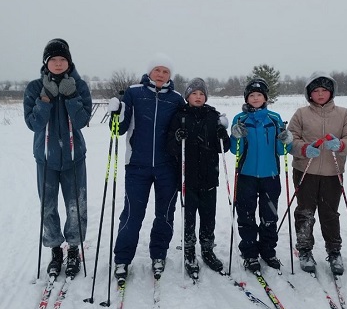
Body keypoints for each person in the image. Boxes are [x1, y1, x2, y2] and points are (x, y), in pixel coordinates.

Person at [108, 54, 185, 281]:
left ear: (170, 75)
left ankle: (158, 255)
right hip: (137, 166)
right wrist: (115, 113)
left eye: (165, 72)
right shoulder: (134, 92)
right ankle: (122, 259)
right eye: (157, 70)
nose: (161, 75)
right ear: (149, 72)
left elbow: (184, 125)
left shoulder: (177, 98)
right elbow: (118, 130)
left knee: (165, 214)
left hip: (167, 167)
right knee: (132, 214)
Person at [24, 39, 92, 278]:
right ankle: (55, 249)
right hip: (46, 158)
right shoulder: (34, 88)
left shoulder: (79, 86)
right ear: (46, 62)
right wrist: (45, 100)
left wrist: (72, 96)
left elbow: (83, 121)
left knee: (76, 205)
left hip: (74, 157)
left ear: (69, 62)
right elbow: (33, 124)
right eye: (53, 59)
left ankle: (73, 249)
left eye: (62, 59)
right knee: (48, 206)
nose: (58, 63)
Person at [288, 72, 347, 276]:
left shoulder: (344, 114)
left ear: (331, 92)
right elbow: (290, 140)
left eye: (324, 90)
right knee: (305, 212)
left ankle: (334, 251)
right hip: (305, 170)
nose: (320, 94)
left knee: (329, 213)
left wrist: (342, 145)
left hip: (332, 172)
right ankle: (304, 249)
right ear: (309, 94)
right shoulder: (301, 114)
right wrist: (303, 148)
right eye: (315, 91)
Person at [167, 78, 230, 278]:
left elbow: (225, 148)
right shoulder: (180, 116)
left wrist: (222, 134)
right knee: (189, 216)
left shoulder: (213, 115)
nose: (198, 97)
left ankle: (207, 249)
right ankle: (189, 250)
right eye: (194, 93)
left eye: (201, 94)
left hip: (209, 176)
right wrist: (178, 137)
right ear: (187, 96)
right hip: (187, 177)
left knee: (208, 215)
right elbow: (170, 146)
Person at [230, 78, 292, 273]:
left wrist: (286, 139)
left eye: (259, 95)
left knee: (269, 216)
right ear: (247, 99)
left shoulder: (274, 118)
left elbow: (283, 151)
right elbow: (234, 150)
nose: (255, 98)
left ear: (265, 98)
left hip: (270, 176)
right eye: (252, 95)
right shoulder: (240, 119)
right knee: (246, 216)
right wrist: (235, 135)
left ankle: (268, 250)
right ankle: (249, 253)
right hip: (246, 176)